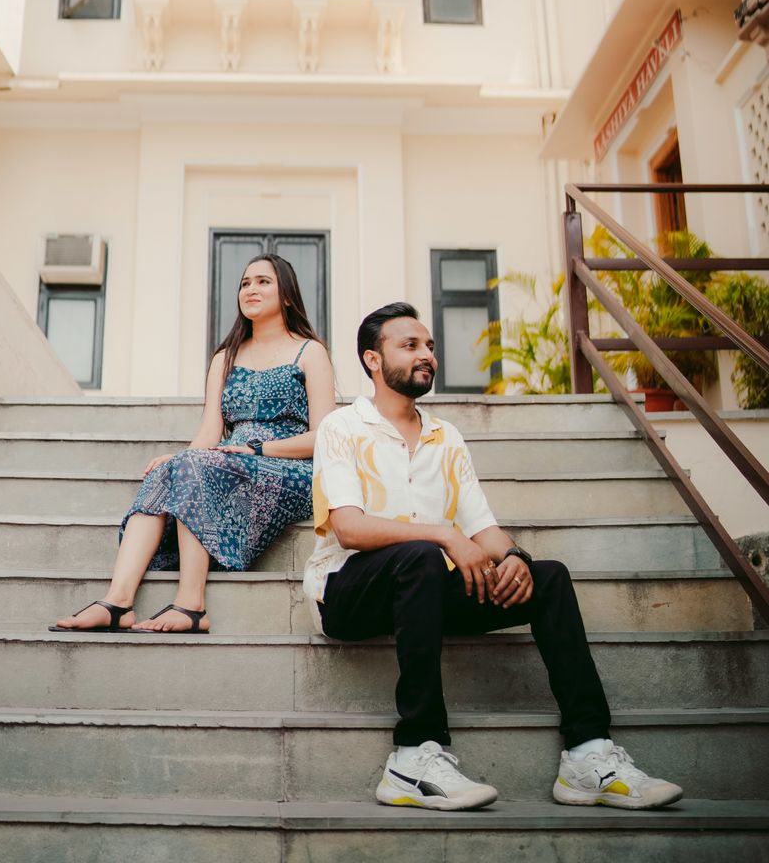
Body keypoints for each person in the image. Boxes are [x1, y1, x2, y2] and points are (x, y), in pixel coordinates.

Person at [304, 301, 684, 813]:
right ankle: (413, 757)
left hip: (425, 592)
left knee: (548, 577)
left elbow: (483, 527)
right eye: (410, 345)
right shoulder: (341, 427)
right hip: (347, 593)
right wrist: (443, 536)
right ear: (373, 360)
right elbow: (347, 527)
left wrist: (516, 559)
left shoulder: (446, 437)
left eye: (430, 347)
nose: (427, 356)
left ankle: (587, 755)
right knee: (418, 553)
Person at [52, 254, 335, 634]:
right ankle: (118, 601)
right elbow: (209, 432)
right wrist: (180, 457)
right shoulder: (225, 358)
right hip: (228, 461)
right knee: (173, 468)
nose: (251, 289)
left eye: (263, 282)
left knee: (196, 466)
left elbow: (325, 436)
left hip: (290, 467)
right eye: (245, 283)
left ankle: (191, 604)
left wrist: (257, 450)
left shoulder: (310, 352)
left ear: (287, 295)